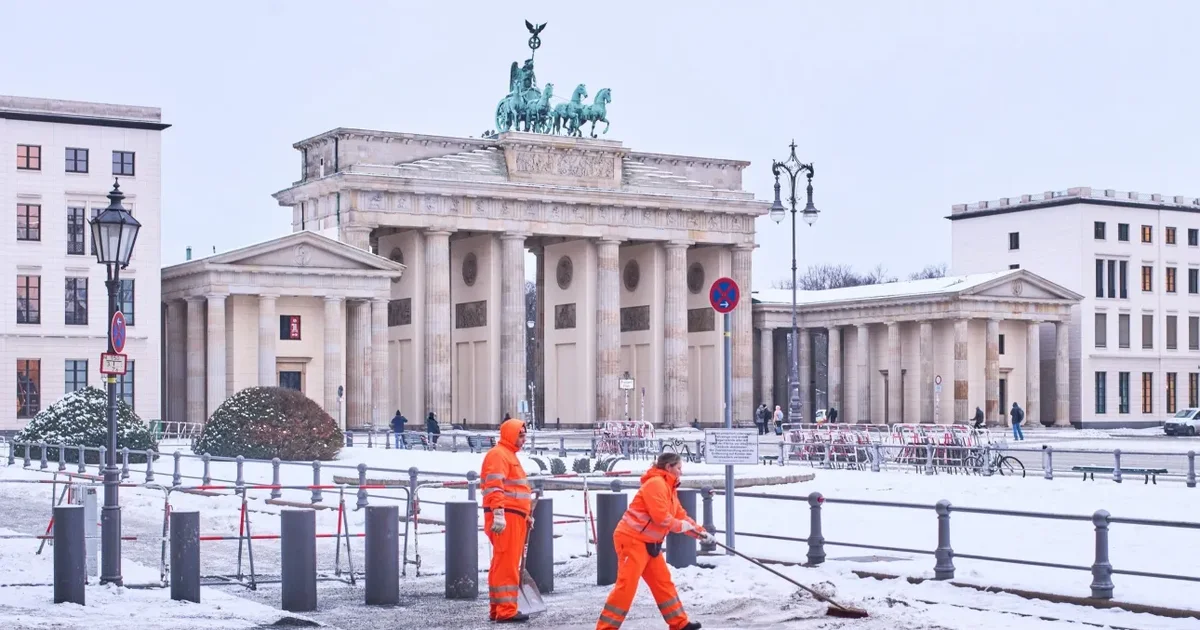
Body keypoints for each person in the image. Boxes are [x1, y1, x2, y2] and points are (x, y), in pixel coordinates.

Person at [596, 452, 708, 630]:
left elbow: (679, 515)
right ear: (668, 467)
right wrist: (681, 526)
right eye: (679, 468)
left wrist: (700, 533)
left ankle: (679, 624)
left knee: (663, 583)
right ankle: (606, 628)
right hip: (632, 539)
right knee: (626, 587)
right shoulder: (656, 484)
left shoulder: (668, 488)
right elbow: (661, 518)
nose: (681, 472)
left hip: (649, 543)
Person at [480, 419, 533, 623]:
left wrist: (525, 515)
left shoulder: (507, 455)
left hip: (514, 517)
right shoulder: (499, 455)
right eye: (520, 435)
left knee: (501, 562)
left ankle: (498, 608)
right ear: (510, 434)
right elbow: (494, 487)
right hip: (506, 518)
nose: (524, 439)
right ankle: (506, 610)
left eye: (525, 435)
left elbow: (515, 490)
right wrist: (499, 513)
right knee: (507, 564)